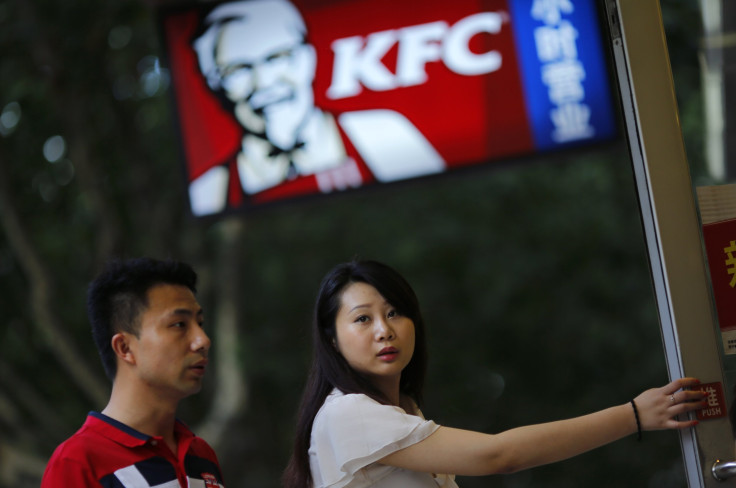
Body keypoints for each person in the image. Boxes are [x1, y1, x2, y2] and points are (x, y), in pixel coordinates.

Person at [283, 259, 706, 488]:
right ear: (332, 339)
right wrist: (633, 415)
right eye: (362, 319)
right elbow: (499, 456)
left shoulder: (402, 412)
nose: (384, 330)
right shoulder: (348, 413)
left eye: (395, 312)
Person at [188, 0, 444, 216]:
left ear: (308, 58)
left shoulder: (386, 133)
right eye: (238, 70)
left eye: (277, 57)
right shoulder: (208, 192)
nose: (264, 82)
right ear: (214, 85)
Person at [41, 257, 226, 487]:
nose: (203, 340)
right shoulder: (77, 462)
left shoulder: (201, 454)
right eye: (179, 324)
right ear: (125, 347)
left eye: (201, 323)